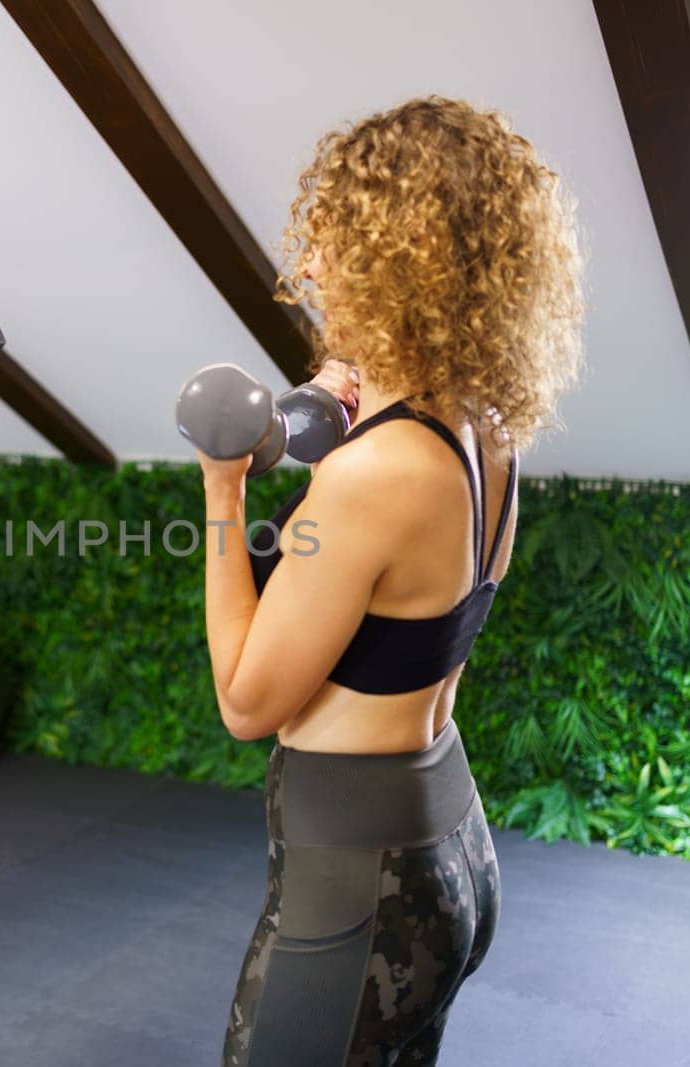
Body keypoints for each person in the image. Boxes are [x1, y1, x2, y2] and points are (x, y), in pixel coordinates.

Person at [195, 96, 585, 1065]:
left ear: (399, 260)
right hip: (446, 852)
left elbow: (246, 699)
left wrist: (221, 482)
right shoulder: (483, 430)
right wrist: (341, 391)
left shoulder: (372, 475)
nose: (313, 269)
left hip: (354, 890)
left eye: (333, 242)